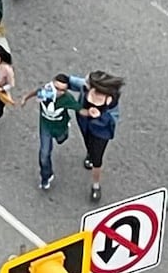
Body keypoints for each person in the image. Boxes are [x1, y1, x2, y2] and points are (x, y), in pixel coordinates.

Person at [20, 74, 83, 190]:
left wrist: (92, 112)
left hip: (60, 127)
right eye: (56, 88)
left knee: (61, 139)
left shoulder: (67, 99)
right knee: (44, 154)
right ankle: (46, 176)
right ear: (52, 83)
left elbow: (80, 109)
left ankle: (64, 133)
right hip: (46, 127)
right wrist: (25, 98)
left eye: (62, 90)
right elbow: (36, 92)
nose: (59, 92)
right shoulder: (46, 91)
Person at [70, 71, 124, 203]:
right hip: (85, 124)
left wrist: (99, 115)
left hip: (101, 131)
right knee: (88, 144)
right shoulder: (86, 88)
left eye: (88, 81)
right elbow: (70, 81)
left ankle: (96, 185)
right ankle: (89, 154)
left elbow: (112, 119)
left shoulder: (111, 100)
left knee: (97, 159)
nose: (85, 81)